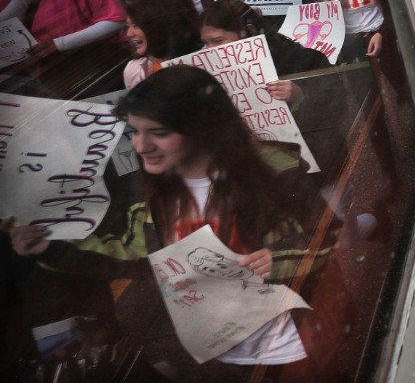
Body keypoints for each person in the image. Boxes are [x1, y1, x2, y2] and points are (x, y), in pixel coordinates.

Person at [2, 65, 333, 379]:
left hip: (293, 346)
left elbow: (330, 240)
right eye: (134, 132)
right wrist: (49, 248)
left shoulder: (275, 174)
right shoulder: (154, 197)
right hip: (221, 356)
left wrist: (276, 260)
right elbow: (132, 255)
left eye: (158, 133)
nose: (141, 146)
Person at [199, 0, 330, 97]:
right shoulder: (210, 80)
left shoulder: (306, 59)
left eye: (217, 40)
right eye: (206, 42)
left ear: (248, 32)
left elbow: (336, 100)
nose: (209, 49)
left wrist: (301, 95)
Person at [121, 0, 197, 88]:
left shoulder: (200, 58)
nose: (129, 34)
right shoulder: (134, 70)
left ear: (159, 27)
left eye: (136, 26)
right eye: (128, 26)